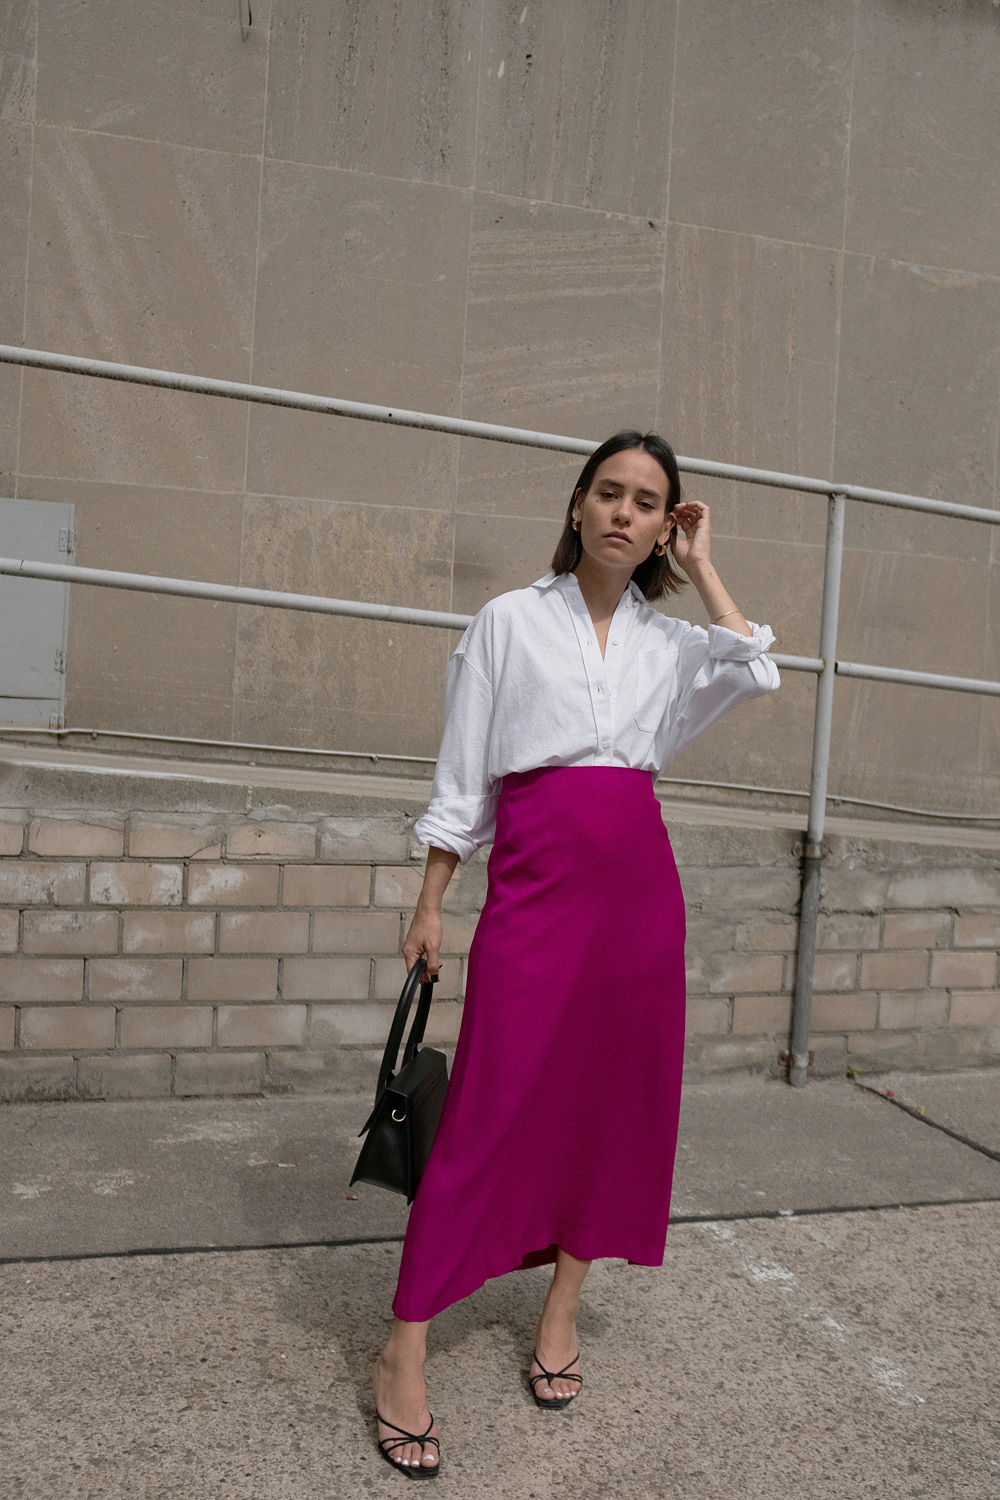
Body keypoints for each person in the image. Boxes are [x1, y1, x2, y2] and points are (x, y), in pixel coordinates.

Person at [371, 430, 779, 1477]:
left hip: (639, 900)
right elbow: (464, 775)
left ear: (662, 526)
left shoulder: (665, 642)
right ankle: (402, 1347)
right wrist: (431, 903)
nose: (624, 514)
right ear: (575, 504)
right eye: (609, 493)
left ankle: (561, 1312)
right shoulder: (509, 621)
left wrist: (701, 571)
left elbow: (755, 666)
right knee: (487, 1112)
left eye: (647, 503)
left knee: (610, 1105)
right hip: (538, 889)